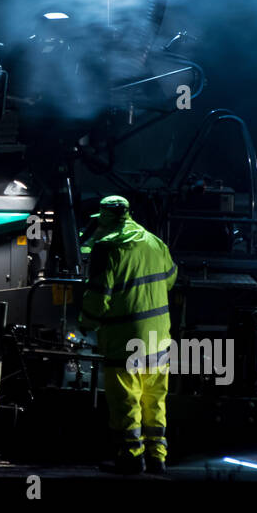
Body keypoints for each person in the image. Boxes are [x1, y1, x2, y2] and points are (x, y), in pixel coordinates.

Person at [78, 195, 178, 475]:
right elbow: (170, 279)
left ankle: (131, 457)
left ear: (106, 219)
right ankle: (158, 457)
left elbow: (98, 299)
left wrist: (87, 323)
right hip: (159, 339)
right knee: (155, 401)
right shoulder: (154, 242)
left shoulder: (107, 248)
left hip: (125, 340)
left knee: (126, 401)